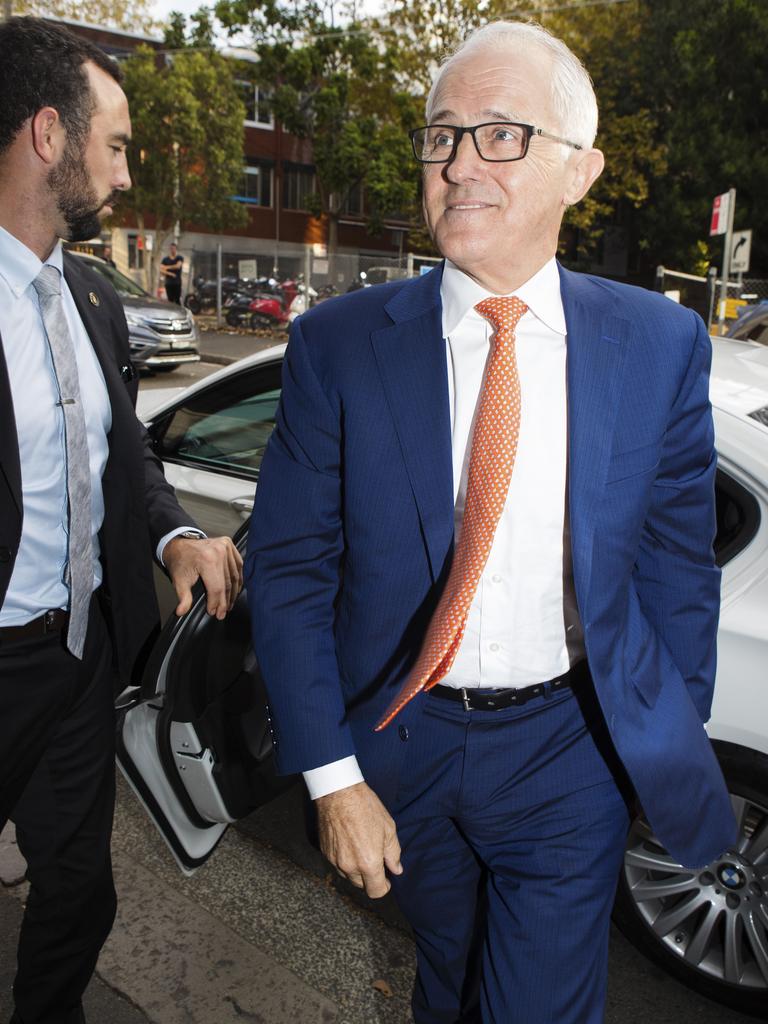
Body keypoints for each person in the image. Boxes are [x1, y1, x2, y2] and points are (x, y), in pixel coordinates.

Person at [246, 19, 737, 1024]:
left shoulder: (659, 344)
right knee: (449, 976)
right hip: (400, 740)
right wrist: (333, 777)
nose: (459, 163)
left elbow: (679, 565)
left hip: (569, 748)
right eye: (441, 135)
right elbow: (291, 570)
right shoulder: (339, 346)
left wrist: (658, 728)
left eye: (501, 133)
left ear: (580, 171)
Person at [0, 18, 243, 1024]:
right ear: (49, 135)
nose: (127, 175)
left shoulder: (91, 296)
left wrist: (174, 532)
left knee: (80, 888)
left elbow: (125, 453)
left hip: (79, 656)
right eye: (118, 145)